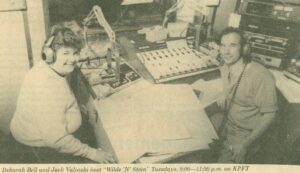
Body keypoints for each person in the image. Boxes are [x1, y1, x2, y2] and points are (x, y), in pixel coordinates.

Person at [10, 26, 115, 163]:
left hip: (38, 135)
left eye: (75, 53)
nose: (72, 59)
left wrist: (74, 108)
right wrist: (93, 154)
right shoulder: (49, 89)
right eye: (65, 53)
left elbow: (60, 102)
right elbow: (56, 139)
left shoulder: (47, 68)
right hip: (39, 148)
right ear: (50, 54)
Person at [214, 27, 279, 163]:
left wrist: (245, 145)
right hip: (228, 123)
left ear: (244, 49)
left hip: (246, 135)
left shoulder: (260, 75)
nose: (226, 51)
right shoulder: (225, 66)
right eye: (223, 45)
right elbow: (231, 86)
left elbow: (270, 115)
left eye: (233, 45)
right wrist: (224, 93)